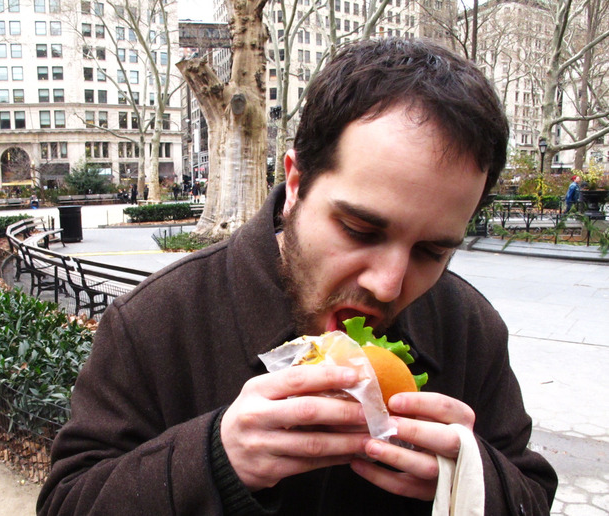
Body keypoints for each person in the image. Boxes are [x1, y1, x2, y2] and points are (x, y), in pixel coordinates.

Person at [37, 38, 556, 515]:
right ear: (295, 183)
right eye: (360, 229)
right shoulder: (155, 320)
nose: (389, 284)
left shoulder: (471, 326)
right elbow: (67, 502)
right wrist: (214, 459)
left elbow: (532, 493)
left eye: (432, 251)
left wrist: (473, 478)